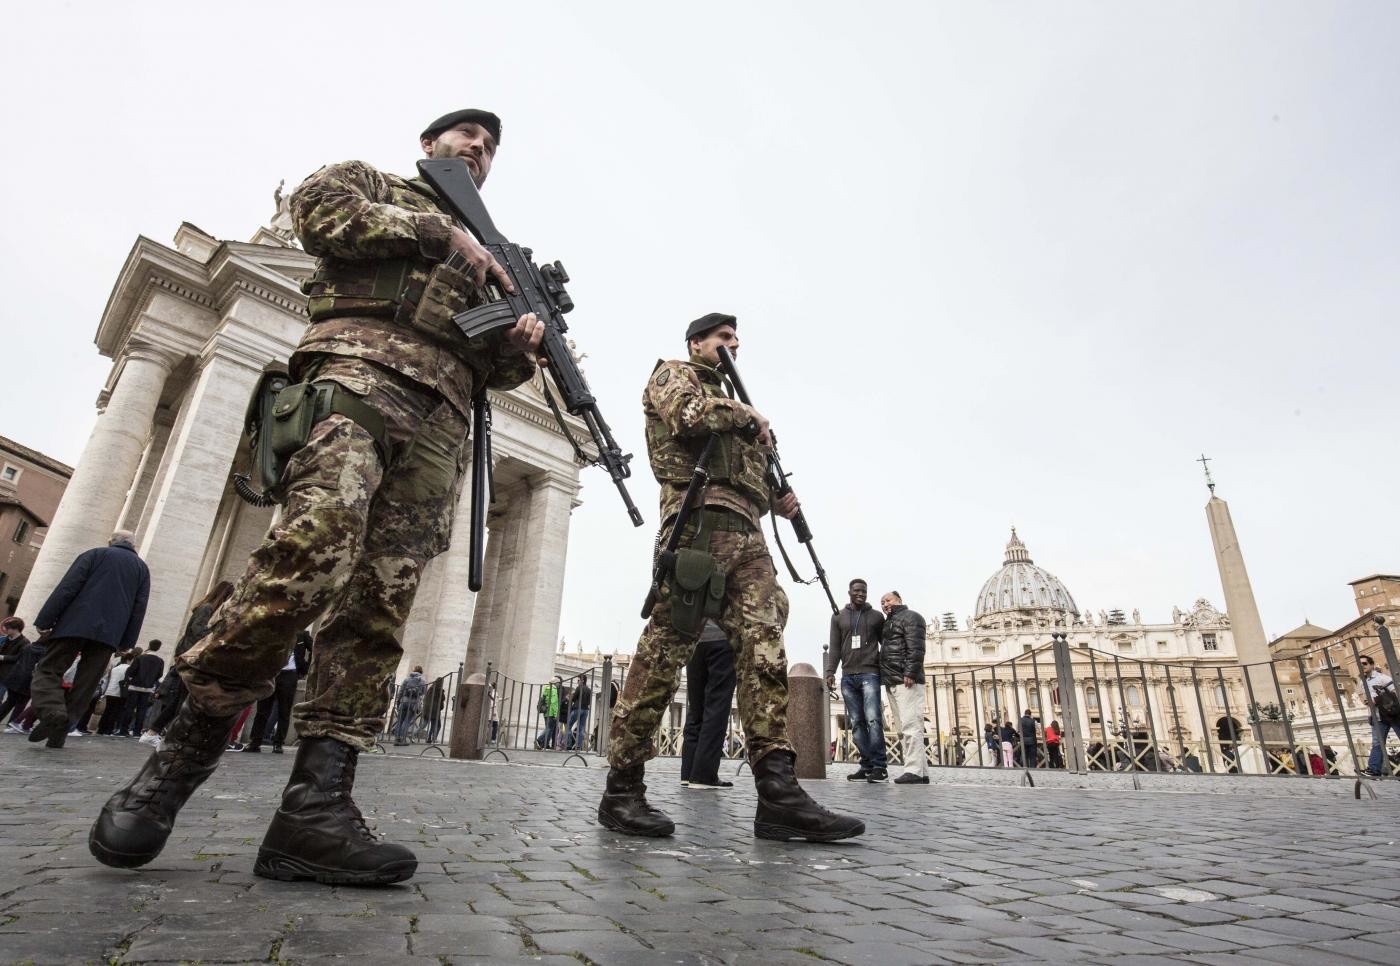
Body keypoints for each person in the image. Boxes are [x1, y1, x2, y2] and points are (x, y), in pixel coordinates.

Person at [90, 107, 546, 887]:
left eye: (493, 145)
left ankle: (314, 809)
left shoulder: (498, 255)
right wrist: (443, 237)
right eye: (467, 135)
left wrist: (517, 347)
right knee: (311, 549)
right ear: (429, 145)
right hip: (357, 375)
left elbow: (494, 374)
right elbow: (320, 215)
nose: (481, 148)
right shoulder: (373, 183)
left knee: (378, 606)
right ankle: (178, 760)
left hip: (439, 421)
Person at [598, 314, 863, 843]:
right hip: (697, 528)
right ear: (697, 342)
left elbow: (751, 481)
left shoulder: (737, 407)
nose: (733, 346)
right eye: (723, 339)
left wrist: (778, 501)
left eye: (736, 341)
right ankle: (622, 789)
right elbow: (688, 417)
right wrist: (746, 414)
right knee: (664, 655)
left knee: (766, 654)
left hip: (748, 536)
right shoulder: (675, 375)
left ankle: (778, 792)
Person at [25, 531, 150, 749]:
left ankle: (53, 711)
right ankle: (59, 735)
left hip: (74, 624)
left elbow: (67, 588)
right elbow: (139, 608)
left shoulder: (94, 554)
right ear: (134, 546)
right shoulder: (142, 569)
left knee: (47, 669)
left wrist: (45, 619)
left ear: (111, 542)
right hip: (110, 635)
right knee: (86, 684)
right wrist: (126, 642)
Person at [145, 581, 236, 740]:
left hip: (190, 657)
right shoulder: (207, 608)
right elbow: (197, 631)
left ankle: (156, 731)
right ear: (224, 595)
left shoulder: (208, 609)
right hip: (191, 658)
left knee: (181, 697)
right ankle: (170, 734)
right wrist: (217, 636)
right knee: (183, 697)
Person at [825, 579, 887, 782]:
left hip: (870, 674)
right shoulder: (838, 617)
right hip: (847, 676)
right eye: (857, 591)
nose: (861, 594)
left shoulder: (877, 617)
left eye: (864, 591)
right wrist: (830, 672)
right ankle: (866, 765)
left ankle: (880, 766)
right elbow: (834, 647)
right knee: (857, 723)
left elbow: (884, 645)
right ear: (850, 592)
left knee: (873, 720)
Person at [877, 592, 928, 785]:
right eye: (882, 602)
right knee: (903, 727)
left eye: (888, 600)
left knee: (910, 726)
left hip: (906, 680)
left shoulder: (912, 617)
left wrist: (911, 672)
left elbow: (916, 647)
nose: (885, 604)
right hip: (892, 680)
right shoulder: (888, 623)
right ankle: (922, 771)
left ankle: (913, 770)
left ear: (899, 600)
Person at [680, 620, 737, 789]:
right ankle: (704, 776)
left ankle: (688, 773)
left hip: (695, 639)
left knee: (696, 708)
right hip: (722, 638)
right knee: (717, 707)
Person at [244, 636, 304, 753]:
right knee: (262, 710)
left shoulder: (302, 636)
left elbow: (313, 649)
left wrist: (303, 668)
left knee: (284, 711)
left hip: (289, 675)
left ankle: (278, 743)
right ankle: (255, 742)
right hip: (270, 672)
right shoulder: (276, 630)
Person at [1360, 654, 1400, 778]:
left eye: (1365, 663)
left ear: (1372, 665)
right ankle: (1373, 769)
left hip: (1393, 714)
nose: (1362, 666)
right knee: (1377, 743)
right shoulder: (1363, 683)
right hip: (1377, 716)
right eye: (1360, 664)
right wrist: (1366, 701)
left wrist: (1378, 700)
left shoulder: (1383, 678)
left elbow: (1395, 692)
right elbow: (1364, 698)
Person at [117, 641, 164, 739]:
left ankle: (123, 730)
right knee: (142, 710)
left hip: (134, 686)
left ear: (149, 646)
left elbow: (131, 671)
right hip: (148, 689)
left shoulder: (140, 658)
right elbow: (160, 674)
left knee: (129, 708)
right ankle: (137, 732)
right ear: (158, 648)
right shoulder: (160, 661)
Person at [1, 633, 47, 731]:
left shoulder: (28, 647)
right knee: (21, 703)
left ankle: (9, 723)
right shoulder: (45, 652)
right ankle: (12, 725)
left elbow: (17, 659)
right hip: (29, 679)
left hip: (15, 676)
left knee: (9, 701)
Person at [97, 653, 135, 735]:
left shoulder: (115, 668)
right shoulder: (128, 668)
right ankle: (109, 730)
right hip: (119, 692)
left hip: (110, 691)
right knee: (115, 712)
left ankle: (101, 729)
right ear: (129, 660)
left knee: (107, 710)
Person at [392, 666, 426, 746]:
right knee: (407, 721)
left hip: (404, 701)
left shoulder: (407, 679)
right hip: (413, 703)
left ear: (413, 671)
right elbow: (423, 693)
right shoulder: (423, 681)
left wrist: (398, 700)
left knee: (400, 720)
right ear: (421, 672)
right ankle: (402, 739)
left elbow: (401, 691)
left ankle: (397, 739)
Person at [0, 617, 30, 701]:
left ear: (15, 629)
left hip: (7, 674)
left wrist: (2, 657)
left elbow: (19, 658)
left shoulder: (25, 642)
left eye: (8, 628)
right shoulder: (5, 638)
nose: (5, 629)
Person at [565, 673, 592, 751]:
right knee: (581, 729)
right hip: (585, 710)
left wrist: (572, 697)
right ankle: (578, 746)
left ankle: (569, 745)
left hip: (577, 709)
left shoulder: (578, 688)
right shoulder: (589, 690)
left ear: (582, 680)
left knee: (568, 726)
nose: (577, 682)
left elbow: (573, 699)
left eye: (578, 680)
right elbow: (589, 702)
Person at [535, 677, 561, 749]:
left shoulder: (546, 689)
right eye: (558, 683)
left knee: (548, 728)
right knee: (549, 728)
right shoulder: (554, 690)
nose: (559, 685)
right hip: (551, 712)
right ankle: (539, 740)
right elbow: (554, 703)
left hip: (546, 712)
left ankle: (544, 744)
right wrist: (556, 714)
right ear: (555, 683)